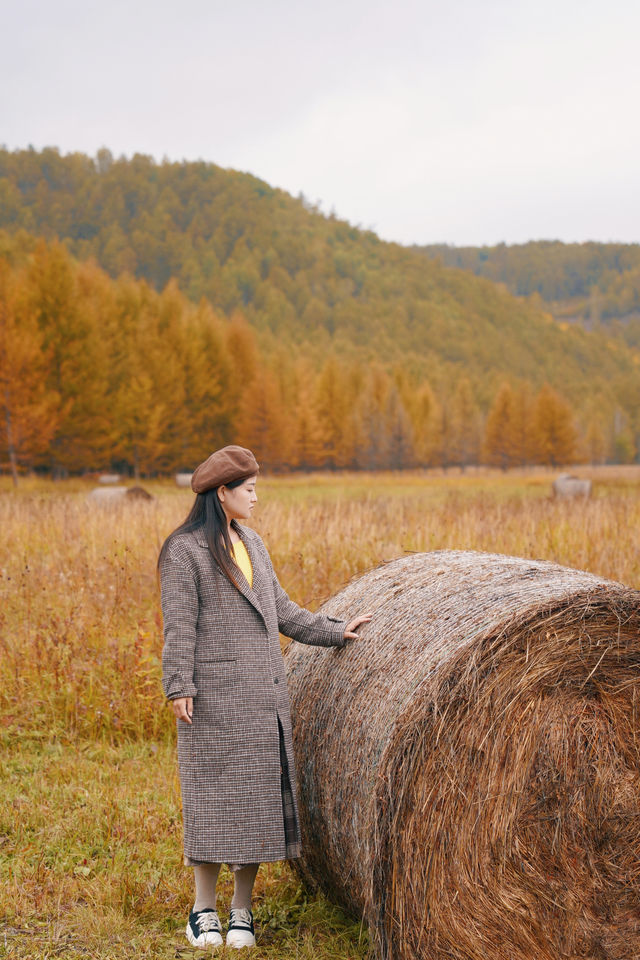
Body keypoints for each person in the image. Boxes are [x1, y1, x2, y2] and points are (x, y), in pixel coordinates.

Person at [159, 445, 371, 950]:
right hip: (211, 701)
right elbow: (179, 624)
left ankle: (241, 912)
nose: (256, 497)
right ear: (222, 493)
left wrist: (335, 630)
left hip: (262, 697)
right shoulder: (183, 550)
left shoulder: (252, 543)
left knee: (256, 802)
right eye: (249, 489)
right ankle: (202, 911)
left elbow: (281, 609)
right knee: (212, 800)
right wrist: (179, 685)